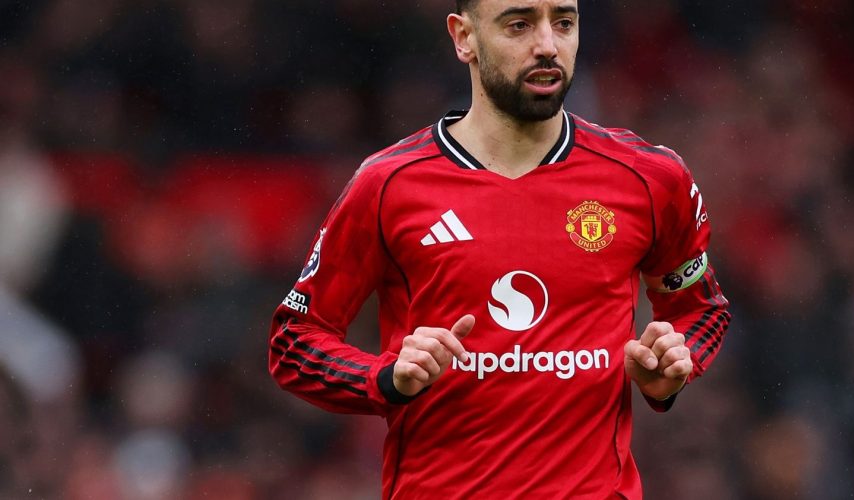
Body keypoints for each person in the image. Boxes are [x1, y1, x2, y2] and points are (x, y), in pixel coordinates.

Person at [268, 0, 731, 497]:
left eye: (564, 23)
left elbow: (700, 309)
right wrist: (385, 378)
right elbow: (295, 342)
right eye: (519, 24)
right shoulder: (388, 184)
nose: (548, 46)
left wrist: (672, 368)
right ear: (464, 37)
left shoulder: (650, 178)